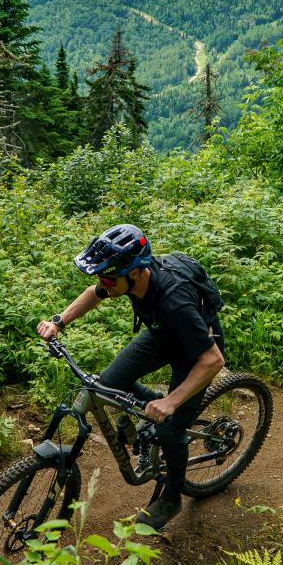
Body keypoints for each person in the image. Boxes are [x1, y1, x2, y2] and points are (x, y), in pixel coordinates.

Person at [36, 224, 225, 531]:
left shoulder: (174, 301)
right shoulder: (123, 278)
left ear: (136, 271)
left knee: (170, 431)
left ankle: (172, 497)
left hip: (195, 354)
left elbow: (213, 360)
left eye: (108, 278)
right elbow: (94, 293)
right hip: (163, 335)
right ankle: (150, 414)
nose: (103, 283)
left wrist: (171, 402)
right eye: (101, 276)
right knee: (108, 385)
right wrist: (59, 321)